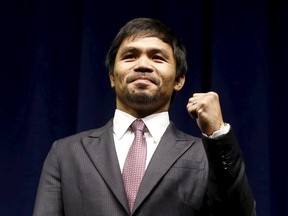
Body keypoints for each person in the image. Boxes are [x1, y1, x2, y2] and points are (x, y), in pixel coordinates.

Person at [33, 17, 256, 216]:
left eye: (157, 58)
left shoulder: (206, 155)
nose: (142, 65)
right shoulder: (65, 153)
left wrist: (217, 134)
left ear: (179, 80)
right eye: (130, 56)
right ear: (112, 76)